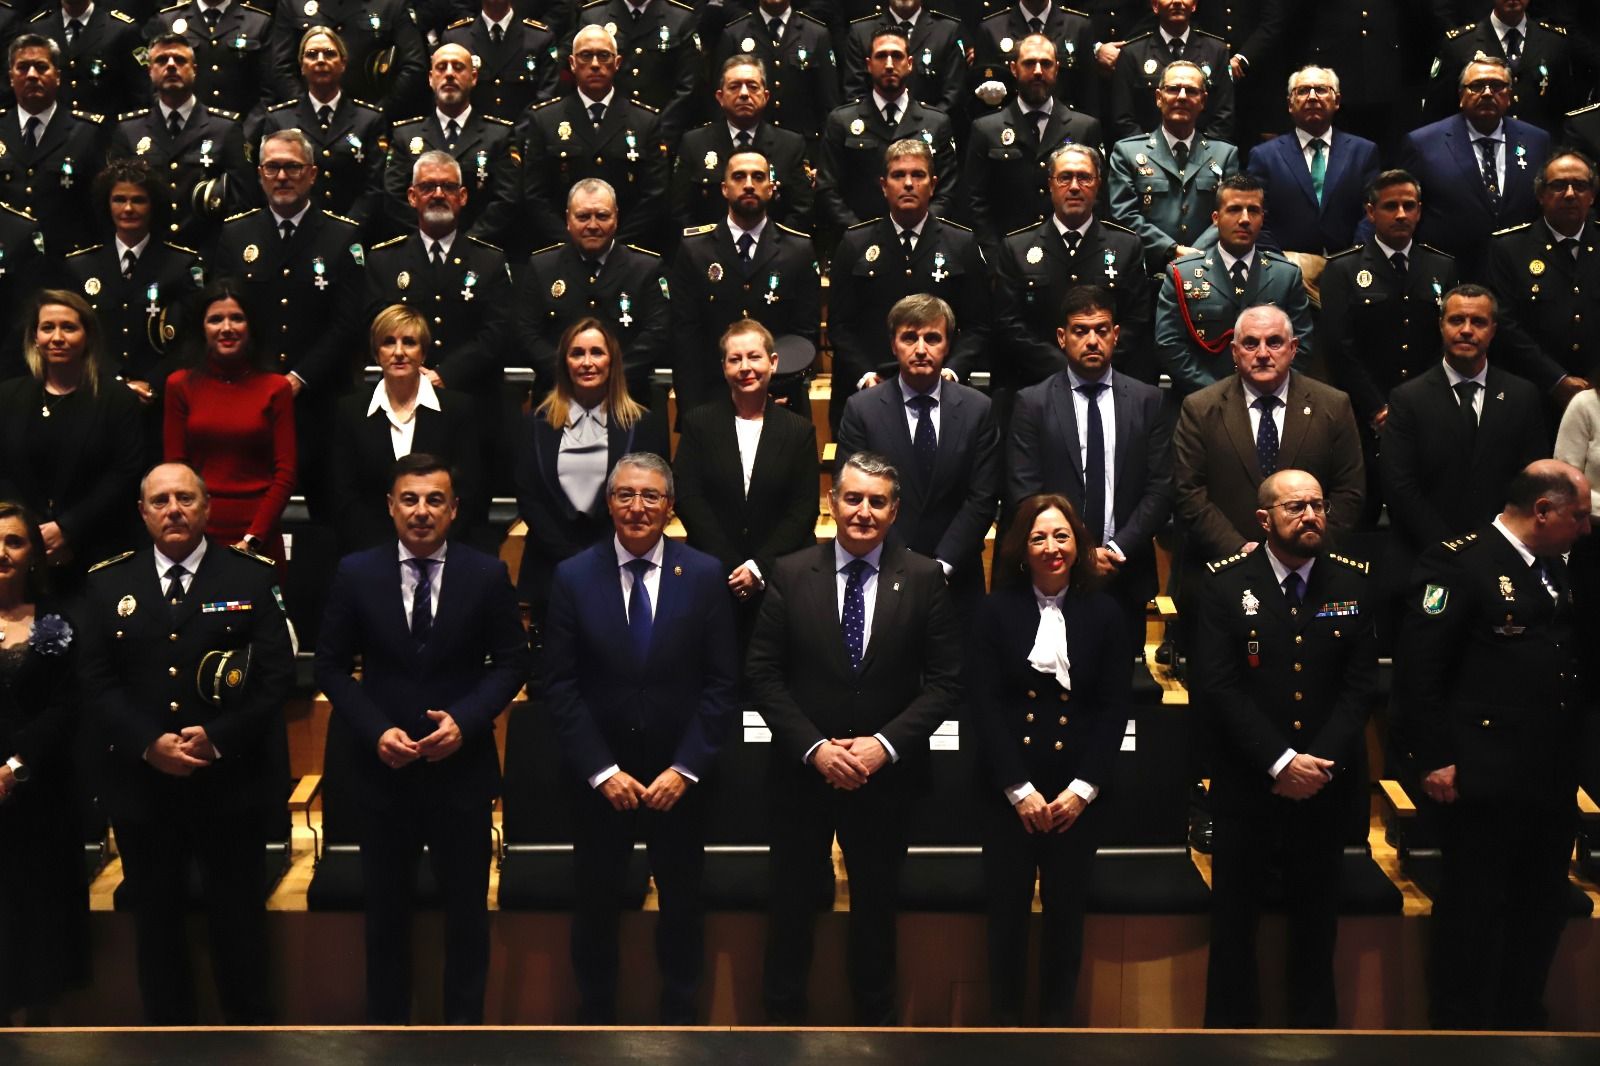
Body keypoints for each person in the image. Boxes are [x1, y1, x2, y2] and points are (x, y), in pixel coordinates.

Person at [747, 450, 963, 1026]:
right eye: (852, 498)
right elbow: (763, 675)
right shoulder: (791, 573)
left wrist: (883, 746)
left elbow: (945, 683)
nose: (863, 512)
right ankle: (780, 1034)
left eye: (877, 501)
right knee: (790, 910)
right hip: (801, 775)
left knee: (876, 913)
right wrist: (815, 747)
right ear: (831, 502)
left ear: (895, 511)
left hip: (886, 780)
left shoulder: (923, 578)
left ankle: (876, 1033)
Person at [315, 453, 528, 1024]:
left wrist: (468, 719)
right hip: (383, 775)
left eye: (435, 499)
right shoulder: (356, 572)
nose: (421, 511)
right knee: (385, 920)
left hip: (462, 773)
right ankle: (389, 1037)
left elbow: (511, 663)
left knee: (467, 919)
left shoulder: (486, 574)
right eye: (409, 499)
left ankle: (464, 1040)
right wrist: (376, 728)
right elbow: (330, 667)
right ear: (390, 506)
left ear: (454, 509)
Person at [79, 461, 293, 1024]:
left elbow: (276, 679)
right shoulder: (108, 582)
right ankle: (167, 1043)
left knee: (239, 923)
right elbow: (95, 682)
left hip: (230, 782)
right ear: (143, 512)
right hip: (144, 786)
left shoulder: (251, 576)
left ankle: (250, 1043)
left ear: (207, 507)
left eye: (185, 499)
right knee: (156, 923)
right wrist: (149, 743)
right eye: (160, 501)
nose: (173, 510)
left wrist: (216, 740)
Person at [1394, 459, 1590, 1029]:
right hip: (1482, 773)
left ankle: (1520, 1018)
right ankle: (1459, 1027)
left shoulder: (1556, 566)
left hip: (1548, 772)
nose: (1585, 526)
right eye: (1577, 516)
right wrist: (1435, 758)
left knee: (1541, 905)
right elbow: (1420, 671)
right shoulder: (1457, 563)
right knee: (1473, 910)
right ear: (1543, 511)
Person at [542, 452, 737, 1024]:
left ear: (670, 507)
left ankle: (682, 1017)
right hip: (600, 781)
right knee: (596, 904)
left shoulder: (702, 574)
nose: (637, 507)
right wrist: (602, 771)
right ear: (609, 504)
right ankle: (596, 1015)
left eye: (651, 496)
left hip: (682, 779)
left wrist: (686, 769)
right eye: (625, 495)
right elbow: (558, 684)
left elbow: (723, 685)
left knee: (683, 905)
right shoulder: (573, 576)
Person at [1194, 469, 1376, 1027]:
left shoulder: (1352, 582)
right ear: (1264, 519)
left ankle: (1315, 1044)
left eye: (1318, 505)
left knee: (1316, 930)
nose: (1311, 516)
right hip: (1249, 784)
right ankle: (1226, 1046)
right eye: (1296, 507)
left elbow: (1359, 686)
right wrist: (1279, 762)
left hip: (1324, 786)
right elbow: (1218, 685)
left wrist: (1317, 764)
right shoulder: (1224, 584)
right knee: (1233, 932)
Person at [970, 493, 1130, 1026]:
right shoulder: (993, 612)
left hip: (1073, 799)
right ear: (1021, 548)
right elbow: (985, 706)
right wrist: (1018, 789)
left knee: (1066, 922)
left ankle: (1059, 1032)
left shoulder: (1106, 613)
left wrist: (1083, 790)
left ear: (1078, 544)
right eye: (1039, 537)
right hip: (1007, 795)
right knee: (1005, 922)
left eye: (1062, 535)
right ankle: (1004, 1031)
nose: (1052, 547)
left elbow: (1112, 710)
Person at [1008, 285, 1173, 654]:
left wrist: (1116, 548)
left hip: (1125, 573)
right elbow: (1024, 490)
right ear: (1062, 338)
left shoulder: (1149, 401)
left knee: (1118, 698)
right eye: (1081, 331)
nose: (1092, 340)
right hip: (1053, 574)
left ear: (1116, 335)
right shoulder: (1032, 403)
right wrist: (1078, 554)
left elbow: (1160, 489)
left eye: (1101, 330)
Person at [836, 294, 1000, 616]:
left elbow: (982, 498)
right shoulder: (862, 410)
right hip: (882, 573)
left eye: (932, 338)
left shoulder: (978, 409)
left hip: (958, 576)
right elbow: (854, 494)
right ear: (893, 344)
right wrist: (904, 563)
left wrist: (943, 565)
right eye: (910, 338)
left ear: (948, 345)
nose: (921, 349)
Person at [1172, 304, 1365, 567]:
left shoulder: (1333, 405)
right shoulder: (1200, 408)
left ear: (1293, 348)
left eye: (1274, 342)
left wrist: (1303, 549)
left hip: (1310, 568)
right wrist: (1239, 550)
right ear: (1234, 352)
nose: (1263, 353)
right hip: (1223, 568)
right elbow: (1189, 492)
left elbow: (1349, 491)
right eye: (1251, 344)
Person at [1319, 169, 1460, 520]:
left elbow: (1449, 342)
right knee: (1362, 514)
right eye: (1390, 206)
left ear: (1420, 210)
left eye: (1409, 206)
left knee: (1426, 511)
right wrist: (1378, 407)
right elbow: (1339, 347)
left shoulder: (1442, 266)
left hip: (1428, 409)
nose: (1401, 214)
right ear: (1371, 212)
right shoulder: (1343, 269)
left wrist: (1418, 402)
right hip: (1365, 415)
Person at [672, 319, 819, 652]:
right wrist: (729, 564)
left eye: (754, 357)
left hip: (778, 578)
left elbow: (803, 509)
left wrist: (758, 568)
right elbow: (689, 497)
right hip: (713, 573)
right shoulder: (699, 423)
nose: (745, 367)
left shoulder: (799, 431)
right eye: (735, 359)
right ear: (723, 367)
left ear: (773, 362)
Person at [826, 137, 989, 426]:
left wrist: (952, 371)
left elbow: (978, 323)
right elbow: (840, 325)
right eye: (899, 175)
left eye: (918, 175)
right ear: (883, 185)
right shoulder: (855, 243)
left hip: (942, 390)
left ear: (933, 184)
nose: (909, 183)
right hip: (873, 390)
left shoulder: (961, 243)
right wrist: (865, 375)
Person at [513, 316, 667, 622]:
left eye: (596, 352)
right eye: (577, 353)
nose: (587, 362)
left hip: (621, 567)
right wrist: (572, 560)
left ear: (612, 361)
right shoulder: (534, 424)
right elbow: (528, 496)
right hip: (550, 569)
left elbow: (650, 496)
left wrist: (601, 557)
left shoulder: (643, 424)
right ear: (564, 363)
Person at [0, 501, 89, 1023]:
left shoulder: (56, 621)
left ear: (33, 552)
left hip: (40, 798)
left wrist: (12, 767)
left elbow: (65, 709)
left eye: (15, 541)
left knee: (37, 934)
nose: (3, 552)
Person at [1381, 285, 1546, 561]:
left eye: (1478, 322)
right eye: (1457, 320)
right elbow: (1400, 486)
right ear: (1441, 325)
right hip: (1429, 553)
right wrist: (1451, 548)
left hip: (1503, 551)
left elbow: (1531, 480)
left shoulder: (1523, 396)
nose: (1467, 330)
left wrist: (1498, 540)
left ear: (1493, 330)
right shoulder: (1408, 398)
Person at [0, 291, 144, 594]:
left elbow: (125, 473)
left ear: (88, 336)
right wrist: (30, 529)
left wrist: (68, 529)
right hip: (22, 550)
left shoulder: (117, 400)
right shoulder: (8, 397)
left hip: (96, 548)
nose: (57, 337)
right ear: (35, 338)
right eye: (47, 327)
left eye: (68, 327)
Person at [669, 151, 821, 414]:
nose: (749, 184)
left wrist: (771, 391)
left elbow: (804, 336)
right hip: (712, 402)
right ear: (725, 189)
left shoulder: (798, 249)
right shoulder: (694, 250)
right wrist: (695, 410)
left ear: (771, 188)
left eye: (758, 177)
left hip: (779, 399)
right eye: (739, 177)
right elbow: (685, 339)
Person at [329, 306, 484, 555]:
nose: (398, 352)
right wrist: (386, 555)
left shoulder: (457, 409)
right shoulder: (351, 411)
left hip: (443, 553)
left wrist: (433, 547)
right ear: (376, 353)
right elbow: (345, 496)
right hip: (371, 555)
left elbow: (467, 492)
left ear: (423, 353)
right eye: (388, 342)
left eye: (409, 342)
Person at [64, 160, 204, 432]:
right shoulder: (81, 266)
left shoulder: (181, 264)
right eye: (119, 200)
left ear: (153, 206)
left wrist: (151, 383)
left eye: (138, 200)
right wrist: (117, 382)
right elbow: (77, 334)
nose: (128, 209)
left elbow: (192, 337)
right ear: (107, 204)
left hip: (161, 401)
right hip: (97, 396)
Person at [997, 144, 1153, 388]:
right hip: (1037, 384)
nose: (1074, 187)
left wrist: (1096, 362)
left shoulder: (1126, 246)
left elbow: (1137, 320)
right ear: (1050, 185)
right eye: (1065, 177)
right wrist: (1065, 367)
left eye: (1084, 178)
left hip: (1108, 382)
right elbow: (1010, 323)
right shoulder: (1016, 247)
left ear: (1098, 184)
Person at [163, 280, 296, 563]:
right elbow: (175, 468)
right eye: (215, 319)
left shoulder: (276, 388)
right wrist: (192, 532)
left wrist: (253, 538)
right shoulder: (180, 385)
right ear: (202, 328)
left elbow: (285, 472)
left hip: (259, 536)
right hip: (196, 533)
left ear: (251, 327)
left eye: (237, 318)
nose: (226, 328)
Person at [365, 151, 515, 400]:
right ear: (412, 197)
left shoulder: (490, 261)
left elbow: (496, 333)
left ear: (463, 196)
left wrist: (445, 374)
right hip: (401, 394)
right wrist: (413, 373)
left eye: (448, 187)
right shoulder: (384, 260)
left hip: (470, 396)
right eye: (427, 187)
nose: (438, 194)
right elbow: (374, 328)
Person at [1155, 174, 1313, 396]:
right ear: (1215, 218)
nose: (1245, 219)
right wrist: (1216, 393)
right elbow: (1169, 345)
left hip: (1270, 397)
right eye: (1234, 209)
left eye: (1254, 210)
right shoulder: (1182, 273)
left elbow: (1301, 344)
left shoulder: (1286, 274)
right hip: (1201, 401)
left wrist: (1270, 387)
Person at [516, 25, 671, 249]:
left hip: (626, 252)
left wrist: (615, 245)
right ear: (572, 63)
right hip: (563, 251)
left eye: (604, 56)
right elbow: (535, 195)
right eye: (586, 56)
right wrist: (570, 242)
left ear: (617, 63)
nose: (595, 64)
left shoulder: (645, 121)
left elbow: (654, 195)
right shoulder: (544, 119)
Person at [518, 178, 670, 404]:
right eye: (583, 217)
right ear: (568, 218)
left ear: (616, 217)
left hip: (627, 399)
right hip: (557, 398)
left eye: (602, 216)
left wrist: (612, 378)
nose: (592, 225)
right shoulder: (542, 267)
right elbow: (526, 333)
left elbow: (656, 334)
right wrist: (570, 375)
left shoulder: (645, 268)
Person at [1396, 56, 1551, 274]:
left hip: (1522, 271)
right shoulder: (1423, 144)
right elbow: (1404, 207)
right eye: (1477, 86)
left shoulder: (1537, 141)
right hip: (1451, 270)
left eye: (1497, 86)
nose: (1487, 93)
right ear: (1461, 96)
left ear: (1509, 95)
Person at [963, 34, 1105, 264]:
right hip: (1005, 256)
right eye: (1029, 63)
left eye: (1046, 63)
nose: (1038, 71)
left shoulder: (1085, 127)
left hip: (1070, 256)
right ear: (1013, 68)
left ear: (1057, 69)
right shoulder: (986, 129)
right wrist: (994, 256)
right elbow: (975, 201)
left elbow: (1098, 198)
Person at [107, 34, 255, 251]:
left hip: (207, 251)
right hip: (150, 252)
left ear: (194, 69)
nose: (171, 66)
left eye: (179, 60)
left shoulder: (226, 129)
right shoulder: (129, 130)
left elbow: (244, 201)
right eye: (161, 60)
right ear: (150, 71)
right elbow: (116, 200)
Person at [815, 26, 960, 234]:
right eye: (881, 56)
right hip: (859, 243)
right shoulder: (842, 121)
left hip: (922, 240)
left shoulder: (936, 122)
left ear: (909, 64)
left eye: (897, 56)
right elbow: (827, 188)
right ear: (868, 65)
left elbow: (947, 190)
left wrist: (919, 231)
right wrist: (860, 234)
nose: (889, 64)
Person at [1484, 150, 1599, 410]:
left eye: (1580, 186)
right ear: (1540, 195)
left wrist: (1595, 382)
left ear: (1592, 196)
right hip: (1533, 392)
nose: (1570, 194)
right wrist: (1557, 380)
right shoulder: (1509, 248)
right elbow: (1505, 323)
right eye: (1558, 185)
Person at [383, 43, 522, 249]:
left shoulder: (499, 135)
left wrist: (466, 243)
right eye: (441, 67)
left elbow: (507, 199)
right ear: (430, 79)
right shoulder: (405, 135)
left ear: (473, 77)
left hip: (480, 250)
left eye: (458, 67)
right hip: (421, 250)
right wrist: (429, 238)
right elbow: (394, 197)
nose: (449, 74)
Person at [1107, 59, 1239, 274]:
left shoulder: (1225, 155)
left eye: (1191, 91)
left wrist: (1195, 254)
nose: (1182, 97)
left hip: (1207, 270)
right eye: (1174, 89)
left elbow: (1230, 212)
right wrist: (1171, 250)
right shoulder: (1127, 152)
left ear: (1203, 100)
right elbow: (1124, 214)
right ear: (1159, 97)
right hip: (1147, 270)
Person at [254, 27, 388, 235]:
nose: (320, 60)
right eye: (311, 54)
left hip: (353, 233)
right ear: (302, 66)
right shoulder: (279, 119)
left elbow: (374, 188)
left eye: (329, 53)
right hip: (296, 232)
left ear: (343, 64)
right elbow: (268, 180)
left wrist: (345, 230)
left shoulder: (369, 119)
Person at [1242, 66, 1380, 258]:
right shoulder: (1264, 156)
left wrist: (1350, 260)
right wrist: (1283, 265)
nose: (1313, 97)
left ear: (1337, 101)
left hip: (1351, 268)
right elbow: (1255, 216)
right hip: (1287, 270)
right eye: (1303, 90)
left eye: (1321, 90)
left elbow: (1373, 213)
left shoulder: (1363, 152)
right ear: (1290, 103)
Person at [670, 56, 816, 234]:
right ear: (720, 97)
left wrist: (767, 248)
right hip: (709, 255)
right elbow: (679, 211)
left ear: (766, 96)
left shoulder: (791, 146)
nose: (744, 93)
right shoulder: (694, 143)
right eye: (734, 86)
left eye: (753, 86)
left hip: (774, 255)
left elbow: (802, 211)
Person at [0, 35, 103, 255]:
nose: (31, 75)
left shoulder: (86, 132)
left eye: (40, 67)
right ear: (11, 78)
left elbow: (97, 208)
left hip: (63, 261)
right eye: (22, 68)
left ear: (57, 76)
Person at [1424, 1, 1583, 135]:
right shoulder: (1460, 45)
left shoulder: (1555, 42)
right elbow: (1437, 113)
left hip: (1540, 151)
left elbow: (1567, 109)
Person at [266, 0, 426, 122]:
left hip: (373, 120)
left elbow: (414, 66)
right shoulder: (293, 3)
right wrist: (308, 112)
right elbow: (282, 67)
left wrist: (375, 115)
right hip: (306, 121)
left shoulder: (391, 4)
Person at [711, 0, 841, 146]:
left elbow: (829, 102)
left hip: (805, 148)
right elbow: (720, 104)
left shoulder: (816, 34)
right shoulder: (734, 34)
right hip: (749, 147)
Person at [574, 0, 702, 145]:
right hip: (606, 132)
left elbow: (688, 86)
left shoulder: (681, 18)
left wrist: (657, 131)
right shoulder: (594, 16)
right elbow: (585, 81)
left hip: (663, 134)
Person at [1107, 0, 1234, 142]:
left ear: (1194, 5)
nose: (1178, 2)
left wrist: (1202, 152)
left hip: (1203, 154)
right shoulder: (1132, 53)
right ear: (1155, 6)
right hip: (1147, 156)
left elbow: (1224, 114)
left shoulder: (1216, 50)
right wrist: (1146, 151)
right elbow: (1123, 118)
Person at [144, 0, 275, 119]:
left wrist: (248, 137)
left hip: (241, 126)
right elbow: (154, 82)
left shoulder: (258, 22)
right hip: (184, 127)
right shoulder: (168, 20)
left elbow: (268, 90)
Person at [838, 0, 966, 119]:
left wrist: (925, 125)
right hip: (873, 130)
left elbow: (953, 93)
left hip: (928, 132)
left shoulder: (947, 30)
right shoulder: (861, 32)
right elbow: (854, 91)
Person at [440, 0, 561, 124]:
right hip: (473, 136)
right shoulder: (456, 38)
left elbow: (546, 96)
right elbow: (448, 99)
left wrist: (521, 133)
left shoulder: (539, 39)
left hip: (525, 135)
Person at [970, 3, 1097, 117]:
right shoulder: (991, 29)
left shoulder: (1078, 27)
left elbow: (1090, 92)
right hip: (1007, 128)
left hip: (1066, 127)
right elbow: (980, 99)